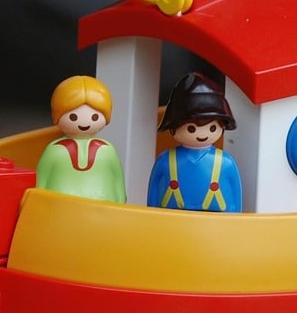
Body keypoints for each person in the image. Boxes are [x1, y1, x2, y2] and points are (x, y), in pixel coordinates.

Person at [147, 72, 243, 212]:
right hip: (173, 217)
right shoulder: (166, 160)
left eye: (212, 128)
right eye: (191, 129)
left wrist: (235, 218)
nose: (202, 134)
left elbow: (236, 195)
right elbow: (154, 190)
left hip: (215, 219)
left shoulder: (226, 162)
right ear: (173, 128)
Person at [35, 75, 126, 202]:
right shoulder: (54, 150)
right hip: (60, 205)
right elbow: (40, 181)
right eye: (73, 117)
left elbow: (117, 181)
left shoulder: (107, 150)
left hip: (102, 205)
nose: (84, 122)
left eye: (94, 117)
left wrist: (120, 201)